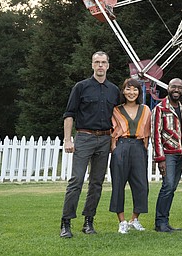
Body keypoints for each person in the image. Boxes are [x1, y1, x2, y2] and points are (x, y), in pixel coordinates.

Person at [60, 51, 120, 238]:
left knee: (96, 183)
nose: (100, 65)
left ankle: (88, 222)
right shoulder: (81, 87)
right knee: (76, 181)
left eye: (103, 62)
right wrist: (68, 139)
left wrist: (114, 141)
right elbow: (69, 114)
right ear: (92, 65)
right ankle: (66, 223)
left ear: (108, 65)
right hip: (84, 138)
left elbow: (117, 118)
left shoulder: (114, 90)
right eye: (97, 62)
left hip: (104, 139)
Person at [110, 78, 151, 234]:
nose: (131, 92)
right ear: (123, 91)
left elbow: (147, 131)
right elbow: (112, 130)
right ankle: (122, 222)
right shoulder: (116, 110)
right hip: (121, 145)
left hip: (139, 147)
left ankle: (134, 219)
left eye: (135, 89)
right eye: (128, 89)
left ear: (139, 92)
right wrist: (114, 148)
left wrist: (144, 148)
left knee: (141, 185)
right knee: (118, 184)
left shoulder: (146, 109)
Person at [151, 78, 182, 232]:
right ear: (168, 88)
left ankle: (165, 221)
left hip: (180, 155)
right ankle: (160, 223)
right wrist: (160, 159)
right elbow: (155, 135)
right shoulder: (160, 109)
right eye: (174, 87)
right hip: (168, 154)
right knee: (167, 187)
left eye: (180, 87)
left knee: (172, 188)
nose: (176, 90)